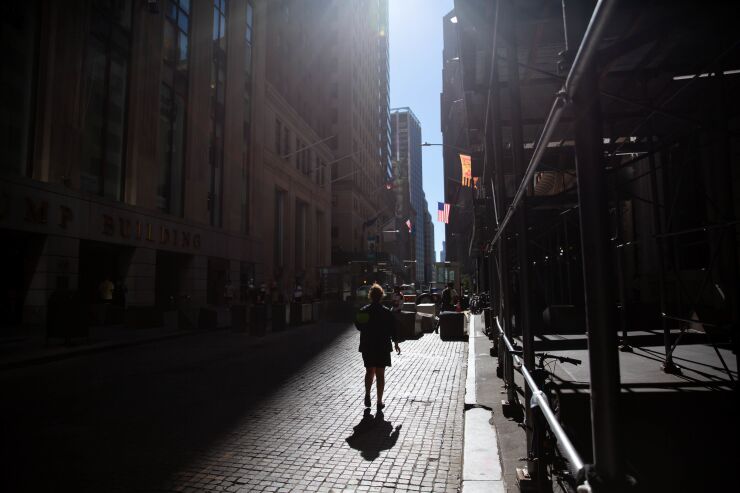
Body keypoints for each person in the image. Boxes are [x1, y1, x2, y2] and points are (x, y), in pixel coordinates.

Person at [355, 284, 401, 410]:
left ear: (370, 295)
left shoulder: (364, 310)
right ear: (381, 296)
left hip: (368, 345)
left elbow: (358, 326)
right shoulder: (387, 312)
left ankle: (367, 394)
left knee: (369, 371)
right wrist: (396, 343)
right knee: (380, 374)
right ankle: (379, 401)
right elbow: (393, 329)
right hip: (383, 345)